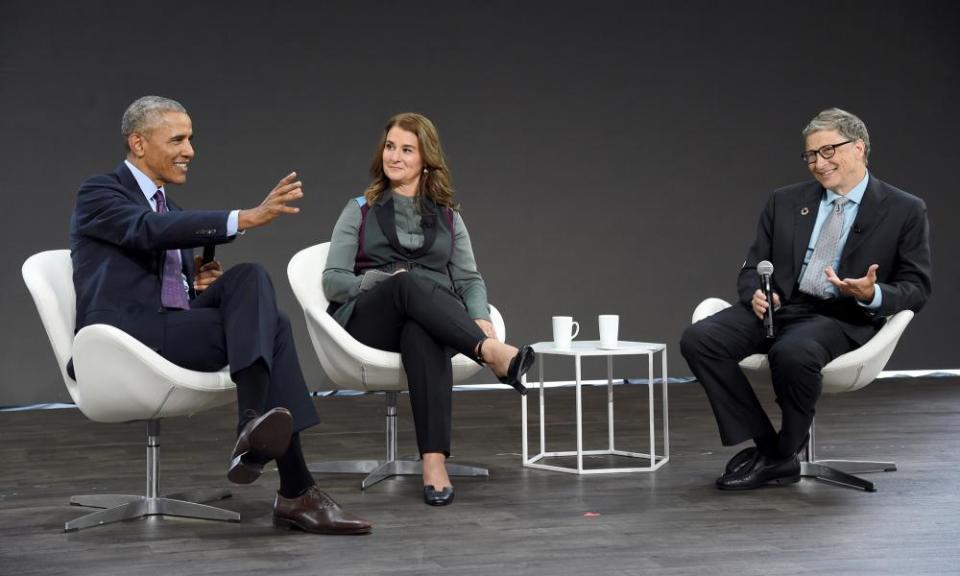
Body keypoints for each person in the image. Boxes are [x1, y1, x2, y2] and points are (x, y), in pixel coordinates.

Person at [70, 95, 371, 534]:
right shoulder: (100, 191)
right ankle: (293, 487)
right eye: (178, 139)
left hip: (168, 331)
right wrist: (243, 218)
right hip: (123, 340)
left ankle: (253, 428)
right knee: (276, 327)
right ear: (138, 142)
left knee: (249, 279)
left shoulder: (168, 209)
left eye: (190, 139)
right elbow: (145, 231)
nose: (190, 151)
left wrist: (193, 284)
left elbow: (167, 269)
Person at [680, 108, 932, 490]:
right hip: (782, 307)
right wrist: (756, 295)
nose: (819, 162)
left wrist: (873, 293)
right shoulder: (784, 200)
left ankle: (780, 455)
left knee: (792, 353)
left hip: (841, 316)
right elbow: (752, 266)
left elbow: (917, 286)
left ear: (859, 147)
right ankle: (775, 450)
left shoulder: (905, 209)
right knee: (699, 339)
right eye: (811, 155)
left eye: (828, 151)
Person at [323, 112, 535, 506]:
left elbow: (469, 280)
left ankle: (433, 463)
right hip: (371, 320)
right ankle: (492, 354)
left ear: (426, 159)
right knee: (406, 281)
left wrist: (481, 318)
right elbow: (333, 280)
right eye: (390, 147)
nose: (395, 157)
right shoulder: (360, 209)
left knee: (422, 331)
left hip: (430, 317)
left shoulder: (450, 217)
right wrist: (379, 282)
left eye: (407, 149)